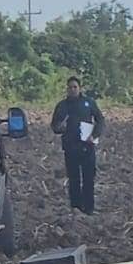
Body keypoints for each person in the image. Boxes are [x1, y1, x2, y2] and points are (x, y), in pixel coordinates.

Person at [51, 77, 106, 214]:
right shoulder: (62, 106)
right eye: (70, 87)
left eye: (75, 87)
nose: (72, 89)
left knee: (88, 179)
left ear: (80, 88)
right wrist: (60, 127)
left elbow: (100, 120)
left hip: (87, 146)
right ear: (67, 89)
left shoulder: (89, 103)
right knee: (74, 179)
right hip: (70, 147)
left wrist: (94, 135)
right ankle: (75, 208)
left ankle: (89, 209)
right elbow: (54, 126)